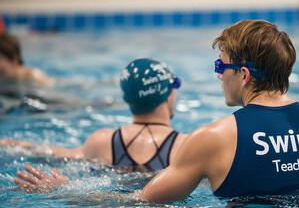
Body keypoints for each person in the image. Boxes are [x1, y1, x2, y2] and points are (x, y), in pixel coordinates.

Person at [15, 20, 299, 200]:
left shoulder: (213, 140)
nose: (218, 76)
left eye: (221, 66)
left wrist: (62, 193)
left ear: (244, 74)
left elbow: (141, 202)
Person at [4, 58, 187, 187]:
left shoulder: (102, 141)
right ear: (168, 94)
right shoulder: (186, 145)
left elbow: (60, 154)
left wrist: (24, 146)